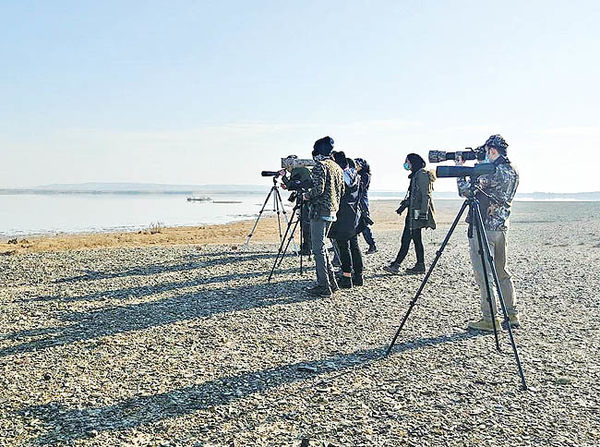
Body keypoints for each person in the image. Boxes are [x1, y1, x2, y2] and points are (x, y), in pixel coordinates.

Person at [457, 134, 520, 331]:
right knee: (502, 272)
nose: (484, 156)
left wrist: (461, 170)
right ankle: (511, 314)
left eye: (485, 152)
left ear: (492, 151)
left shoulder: (492, 171)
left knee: (484, 273)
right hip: (501, 227)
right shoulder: (512, 171)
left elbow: (466, 190)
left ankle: (489, 319)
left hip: (484, 226)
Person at [302, 136, 345, 297]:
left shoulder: (320, 166)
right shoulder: (336, 167)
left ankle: (324, 285)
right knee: (322, 246)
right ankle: (331, 282)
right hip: (333, 210)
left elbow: (318, 190)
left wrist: (306, 196)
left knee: (317, 248)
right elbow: (341, 191)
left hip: (320, 210)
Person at [384, 153, 436, 274]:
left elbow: (426, 195)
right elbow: (414, 196)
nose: (406, 164)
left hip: (416, 214)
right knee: (415, 239)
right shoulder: (416, 175)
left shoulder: (422, 175)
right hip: (413, 212)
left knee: (407, 238)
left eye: (407, 161)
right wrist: (403, 207)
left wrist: (423, 213)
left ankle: (397, 264)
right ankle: (418, 265)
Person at [329, 152, 364, 288]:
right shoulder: (356, 176)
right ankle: (358, 276)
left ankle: (346, 277)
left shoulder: (340, 177)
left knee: (343, 247)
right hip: (355, 214)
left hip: (342, 215)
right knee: (354, 246)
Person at [279, 156, 312, 255]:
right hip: (308, 199)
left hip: (305, 201)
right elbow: (297, 184)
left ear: (290, 164)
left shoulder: (296, 170)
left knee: (305, 224)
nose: (286, 168)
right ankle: (310, 247)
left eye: (286, 165)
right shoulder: (304, 170)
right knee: (308, 224)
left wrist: (284, 177)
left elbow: (292, 185)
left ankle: (307, 248)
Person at [354, 158, 377, 254]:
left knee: (364, 224)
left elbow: (361, 187)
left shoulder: (365, 175)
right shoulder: (358, 175)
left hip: (362, 202)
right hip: (357, 201)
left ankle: (372, 245)